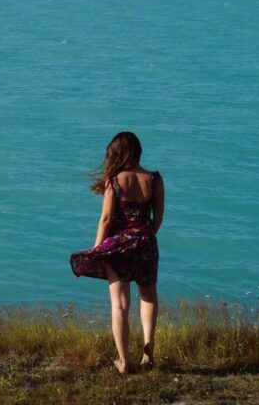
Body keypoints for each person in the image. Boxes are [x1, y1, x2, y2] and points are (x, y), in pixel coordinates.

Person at [69, 131, 164, 376]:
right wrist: (143, 236)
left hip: (119, 246)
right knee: (149, 296)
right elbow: (158, 219)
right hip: (146, 243)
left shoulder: (114, 181)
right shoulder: (155, 180)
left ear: (117, 154)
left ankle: (123, 361)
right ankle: (147, 352)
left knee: (120, 304)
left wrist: (97, 249)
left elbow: (106, 218)